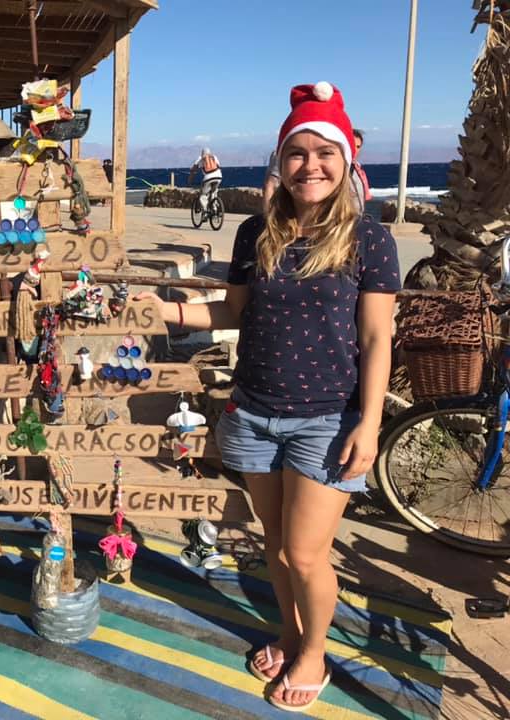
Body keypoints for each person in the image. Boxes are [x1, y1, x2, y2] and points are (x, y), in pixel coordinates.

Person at [136, 81, 400, 712]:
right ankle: (289, 632)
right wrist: (167, 310)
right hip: (252, 413)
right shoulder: (256, 230)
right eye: (298, 153)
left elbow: (376, 336)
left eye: (324, 153)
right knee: (276, 547)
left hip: (326, 422)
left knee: (307, 555)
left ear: (346, 160)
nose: (311, 165)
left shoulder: (369, 238)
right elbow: (232, 307)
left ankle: (314, 655)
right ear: (280, 162)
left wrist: (369, 421)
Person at [190, 146, 222, 212]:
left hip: (208, 177)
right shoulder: (214, 157)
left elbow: (194, 169)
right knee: (214, 192)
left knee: (203, 194)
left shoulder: (201, 159)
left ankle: (205, 211)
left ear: (202, 153)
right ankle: (214, 208)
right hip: (218, 176)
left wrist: (190, 179)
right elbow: (219, 166)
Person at [352, 128, 373, 207]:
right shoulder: (340, 168)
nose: (355, 149)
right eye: (352, 145)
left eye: (358, 146)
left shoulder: (358, 170)